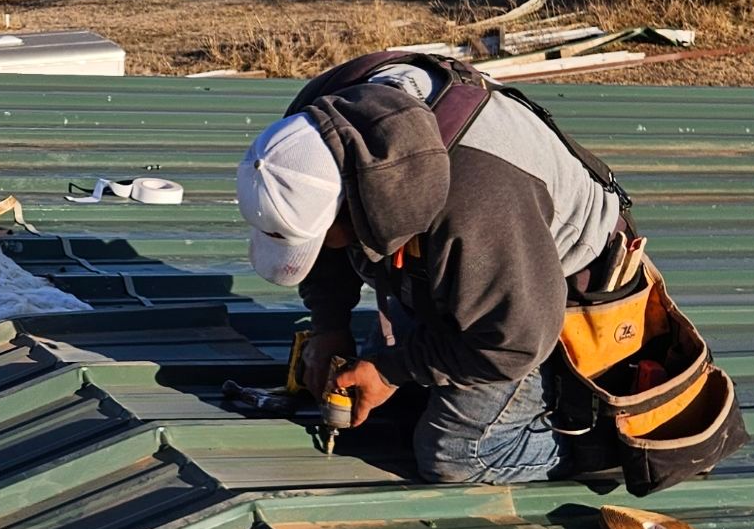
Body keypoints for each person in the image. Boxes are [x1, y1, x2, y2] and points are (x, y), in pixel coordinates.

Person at [236, 56, 627, 484]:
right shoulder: (311, 130)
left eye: (321, 236)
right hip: (469, 265)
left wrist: (391, 370)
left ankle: (596, 444)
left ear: (360, 208)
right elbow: (324, 235)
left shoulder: (479, 202)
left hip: (545, 294)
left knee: (454, 455)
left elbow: (514, 340)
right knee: (396, 396)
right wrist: (330, 326)